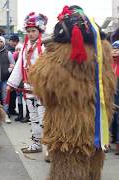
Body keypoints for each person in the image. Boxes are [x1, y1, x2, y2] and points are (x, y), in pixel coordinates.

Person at [28, 5, 115, 180]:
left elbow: (44, 87)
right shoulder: (102, 54)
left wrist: (47, 54)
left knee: (69, 159)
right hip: (96, 119)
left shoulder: (58, 58)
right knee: (93, 154)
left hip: (68, 122)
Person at [7, 12, 48, 153]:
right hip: (28, 87)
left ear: (40, 31)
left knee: (44, 119)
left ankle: (49, 147)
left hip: (43, 88)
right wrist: (11, 83)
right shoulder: (25, 47)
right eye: (28, 31)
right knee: (33, 118)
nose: (30, 34)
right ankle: (36, 144)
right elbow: (19, 65)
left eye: (33, 31)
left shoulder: (45, 47)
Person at [112, 40, 119, 155]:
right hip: (111, 95)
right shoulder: (109, 63)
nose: (114, 51)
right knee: (111, 118)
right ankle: (112, 137)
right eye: (113, 49)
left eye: (117, 49)